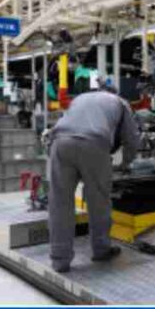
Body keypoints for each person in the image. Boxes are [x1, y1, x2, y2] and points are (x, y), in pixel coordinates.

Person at [47, 88, 141, 272]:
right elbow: (132, 139)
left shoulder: (80, 97)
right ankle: (101, 250)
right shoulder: (120, 103)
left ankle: (60, 260)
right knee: (98, 201)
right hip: (93, 143)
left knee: (59, 203)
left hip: (59, 142)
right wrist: (126, 163)